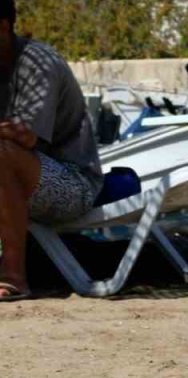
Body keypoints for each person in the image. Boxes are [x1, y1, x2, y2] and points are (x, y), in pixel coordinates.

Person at [0, 0, 103, 301]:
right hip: (18, 181)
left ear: (3, 27)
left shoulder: (37, 61)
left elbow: (25, 137)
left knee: (3, 152)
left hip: (73, 183)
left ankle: (13, 277)